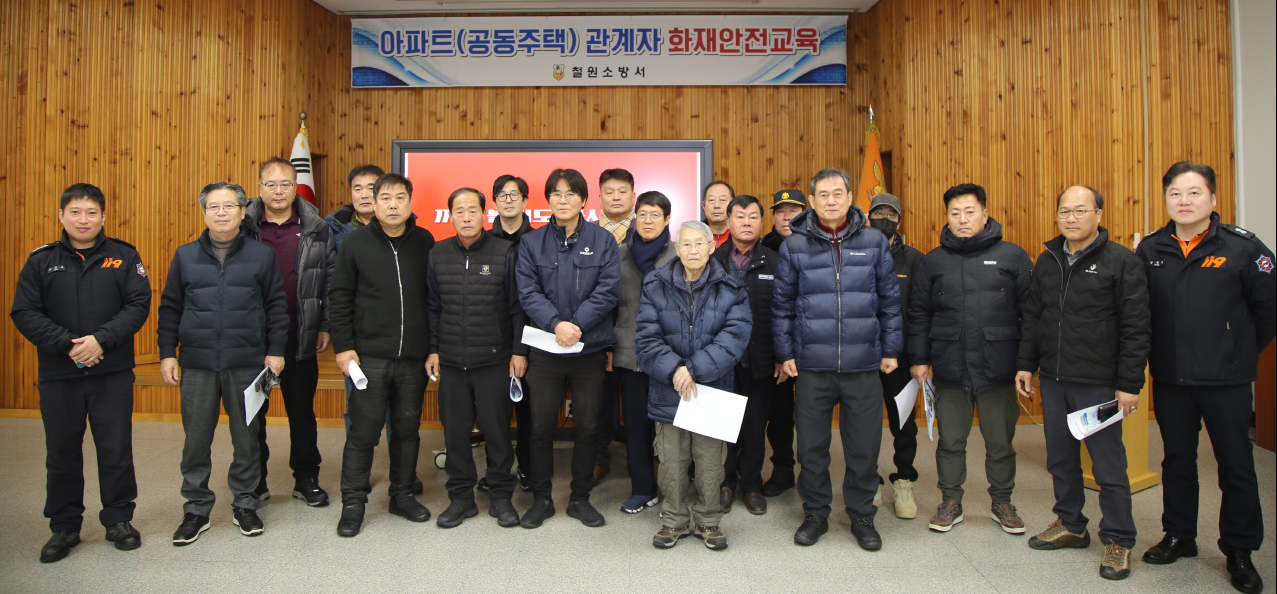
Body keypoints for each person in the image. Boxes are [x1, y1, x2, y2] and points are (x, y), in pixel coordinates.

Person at [1136, 162, 1274, 594]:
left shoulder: (1242, 248)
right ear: (1166, 199)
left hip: (1226, 380)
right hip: (1172, 378)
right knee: (1177, 460)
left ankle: (1239, 550)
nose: (1184, 201)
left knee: (1235, 464)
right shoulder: (1151, 249)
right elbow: (1140, 313)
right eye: (1175, 193)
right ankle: (1179, 536)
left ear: (1213, 199)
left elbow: (1267, 310)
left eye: (1194, 193)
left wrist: (1237, 352)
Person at [1016, 185, 1150, 580]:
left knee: (1108, 465)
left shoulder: (1122, 262)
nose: (1071, 218)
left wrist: (1130, 384)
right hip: (1055, 380)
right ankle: (1071, 524)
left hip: (1099, 383)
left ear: (1098, 215)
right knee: (1060, 460)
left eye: (1080, 210)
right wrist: (1026, 364)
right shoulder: (1048, 259)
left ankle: (1119, 539)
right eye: (1064, 211)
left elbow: (1137, 327)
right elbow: (1034, 316)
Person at [11, 183, 151, 563]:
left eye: (91, 212)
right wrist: (68, 345)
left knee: (115, 449)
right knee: (61, 452)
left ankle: (119, 520)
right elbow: (24, 312)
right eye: (75, 212)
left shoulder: (124, 256)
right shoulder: (41, 261)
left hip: (112, 372)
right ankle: (64, 527)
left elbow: (138, 304)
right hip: (60, 373)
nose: (83, 220)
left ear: (103, 216)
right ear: (61, 216)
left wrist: (100, 341)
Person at [773, 167, 903, 550]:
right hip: (812, 365)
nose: (831, 201)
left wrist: (891, 349)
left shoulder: (874, 241)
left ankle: (862, 515)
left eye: (838, 194)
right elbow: (782, 306)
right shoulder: (794, 245)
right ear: (812, 201)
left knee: (864, 448)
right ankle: (815, 513)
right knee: (811, 448)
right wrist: (785, 352)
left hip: (864, 364)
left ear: (850, 198)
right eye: (823, 195)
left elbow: (890, 301)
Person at [157, 182, 288, 544]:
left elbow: (277, 306)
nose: (221, 213)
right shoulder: (185, 256)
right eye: (213, 206)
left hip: (246, 361)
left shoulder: (261, 256)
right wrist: (167, 352)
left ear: (243, 211)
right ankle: (196, 509)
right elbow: (170, 307)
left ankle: (245, 503)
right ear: (204, 213)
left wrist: (276, 350)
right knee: (196, 440)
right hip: (197, 363)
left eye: (229, 206)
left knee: (247, 438)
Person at [907, 183, 1033, 536]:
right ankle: (950, 501)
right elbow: (920, 314)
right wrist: (919, 358)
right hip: (950, 366)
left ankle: (1002, 502)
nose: (962, 219)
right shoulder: (934, 261)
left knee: (1000, 441)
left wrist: (1027, 362)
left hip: (999, 366)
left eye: (969, 212)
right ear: (947, 217)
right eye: (955, 213)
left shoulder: (1013, 257)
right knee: (950, 442)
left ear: (985, 214)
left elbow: (1032, 314)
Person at [329, 173, 436, 537]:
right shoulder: (355, 242)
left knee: (407, 430)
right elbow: (339, 297)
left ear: (410, 202)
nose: (393, 205)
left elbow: (433, 299)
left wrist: (432, 347)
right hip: (368, 358)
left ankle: (402, 495)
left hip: (413, 359)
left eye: (400, 198)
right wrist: (344, 347)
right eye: (385, 198)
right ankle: (353, 503)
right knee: (363, 433)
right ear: (373, 204)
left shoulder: (424, 241)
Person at [514, 168, 621, 529]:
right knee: (540, 427)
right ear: (548, 199)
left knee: (588, 426)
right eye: (556, 194)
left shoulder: (603, 240)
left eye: (571, 193)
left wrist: (576, 326)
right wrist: (556, 325)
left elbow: (608, 290)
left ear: (584, 200)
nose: (563, 200)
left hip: (588, 350)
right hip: (545, 350)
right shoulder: (531, 243)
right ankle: (542, 499)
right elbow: (527, 292)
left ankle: (580, 498)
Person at [637, 220, 752, 551]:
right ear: (677, 249)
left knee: (710, 461)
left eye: (699, 243)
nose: (692, 250)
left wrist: (693, 369)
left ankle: (708, 520)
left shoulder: (731, 287)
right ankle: (673, 520)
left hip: (711, 388)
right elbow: (646, 337)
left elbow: (735, 337)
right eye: (685, 244)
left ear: (711, 247)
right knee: (671, 461)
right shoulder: (655, 284)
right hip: (669, 387)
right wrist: (675, 369)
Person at [426, 188, 527, 528]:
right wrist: (433, 349)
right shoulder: (438, 253)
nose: (466, 217)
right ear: (450, 216)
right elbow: (432, 306)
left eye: (473, 210)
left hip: (494, 360)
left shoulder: (505, 252)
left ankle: (501, 497)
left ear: (485, 214)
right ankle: (460, 499)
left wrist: (519, 351)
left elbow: (517, 307)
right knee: (455, 434)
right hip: (452, 361)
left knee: (497, 433)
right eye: (459, 211)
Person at [241, 157, 336, 507]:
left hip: (300, 334)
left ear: (296, 187)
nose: (278, 191)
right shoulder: (242, 225)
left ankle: (306, 478)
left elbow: (330, 280)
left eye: (285, 184)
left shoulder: (317, 228)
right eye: (271, 184)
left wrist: (324, 324)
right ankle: (255, 482)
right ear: (259, 188)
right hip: (252, 338)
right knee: (253, 416)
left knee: (301, 412)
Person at [712, 194, 782, 515]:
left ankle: (752, 485)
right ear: (729, 222)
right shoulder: (713, 259)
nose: (746, 222)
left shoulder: (775, 261)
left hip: (760, 358)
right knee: (724, 426)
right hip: (722, 361)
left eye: (753, 217)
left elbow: (784, 311)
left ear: (761, 223)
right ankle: (726, 483)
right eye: (740, 216)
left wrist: (782, 355)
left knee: (754, 426)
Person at [611, 191, 679, 514]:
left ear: (667, 219)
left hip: (670, 357)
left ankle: (675, 489)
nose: (648, 221)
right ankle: (642, 488)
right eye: (643, 214)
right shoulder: (619, 254)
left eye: (655, 215)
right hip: (630, 354)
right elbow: (609, 305)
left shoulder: (679, 254)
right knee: (636, 427)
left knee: (670, 428)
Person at [866, 193, 924, 519]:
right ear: (868, 217)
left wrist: (919, 358)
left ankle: (904, 481)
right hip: (865, 357)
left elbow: (921, 313)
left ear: (899, 221)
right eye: (878, 213)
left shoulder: (915, 260)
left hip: (901, 359)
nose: (884, 219)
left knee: (903, 423)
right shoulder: (857, 253)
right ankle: (870, 480)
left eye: (891, 214)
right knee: (867, 424)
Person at [488, 173, 536, 493]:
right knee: (495, 412)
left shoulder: (538, 240)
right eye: (502, 195)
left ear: (525, 200)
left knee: (529, 412)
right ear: (494, 202)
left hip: (533, 337)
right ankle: (497, 471)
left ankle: (528, 468)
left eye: (514, 194)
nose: (508, 200)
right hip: (493, 340)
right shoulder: (483, 241)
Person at [760, 188, 807, 497]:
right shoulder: (763, 249)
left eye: (794, 211)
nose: (787, 217)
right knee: (778, 412)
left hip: (813, 344)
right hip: (777, 345)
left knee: (810, 415)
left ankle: (812, 471)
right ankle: (783, 468)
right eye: (780, 211)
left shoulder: (818, 245)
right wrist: (780, 350)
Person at [593, 168, 638, 484]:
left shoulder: (648, 230)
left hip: (637, 333)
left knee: (639, 406)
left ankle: (644, 464)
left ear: (633, 196)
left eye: (623, 191)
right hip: (597, 331)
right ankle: (598, 459)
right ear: (599, 198)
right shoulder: (589, 234)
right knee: (598, 402)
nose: (616, 197)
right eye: (609, 192)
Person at [325, 164, 383, 248]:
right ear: (351, 192)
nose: (364, 195)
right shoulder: (333, 226)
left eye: (371, 188)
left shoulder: (397, 224)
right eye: (358, 189)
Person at [702, 181, 735, 248]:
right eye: (711, 200)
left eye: (723, 200)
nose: (716, 205)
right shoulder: (693, 235)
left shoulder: (742, 237)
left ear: (733, 205)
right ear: (703, 205)